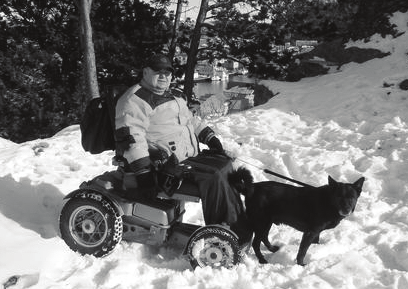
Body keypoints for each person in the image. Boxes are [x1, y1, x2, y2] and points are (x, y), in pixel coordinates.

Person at [115, 54, 251, 243]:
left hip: (185, 156)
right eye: (158, 72)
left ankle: (239, 226)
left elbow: (191, 120)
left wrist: (211, 139)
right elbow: (131, 140)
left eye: (167, 72)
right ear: (145, 72)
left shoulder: (172, 95)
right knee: (213, 177)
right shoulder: (134, 100)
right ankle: (223, 234)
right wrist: (144, 173)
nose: (164, 76)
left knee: (226, 165)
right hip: (163, 165)